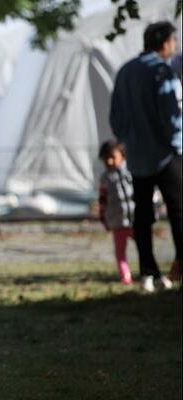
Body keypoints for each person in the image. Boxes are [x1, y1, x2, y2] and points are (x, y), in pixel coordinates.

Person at [110, 21, 182, 291]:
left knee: (143, 214)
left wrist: (128, 142)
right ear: (164, 43)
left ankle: (148, 270)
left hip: (138, 156)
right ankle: (179, 262)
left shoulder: (125, 71)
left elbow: (115, 117)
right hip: (166, 155)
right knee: (178, 210)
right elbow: (171, 114)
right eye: (173, 42)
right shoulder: (161, 71)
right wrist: (176, 144)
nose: (174, 47)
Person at [97, 140, 136, 284]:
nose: (109, 161)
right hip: (117, 222)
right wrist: (104, 219)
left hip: (134, 220)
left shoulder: (132, 172)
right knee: (120, 253)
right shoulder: (105, 179)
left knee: (144, 247)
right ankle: (125, 277)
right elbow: (102, 201)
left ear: (123, 156)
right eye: (106, 158)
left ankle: (148, 271)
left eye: (113, 157)